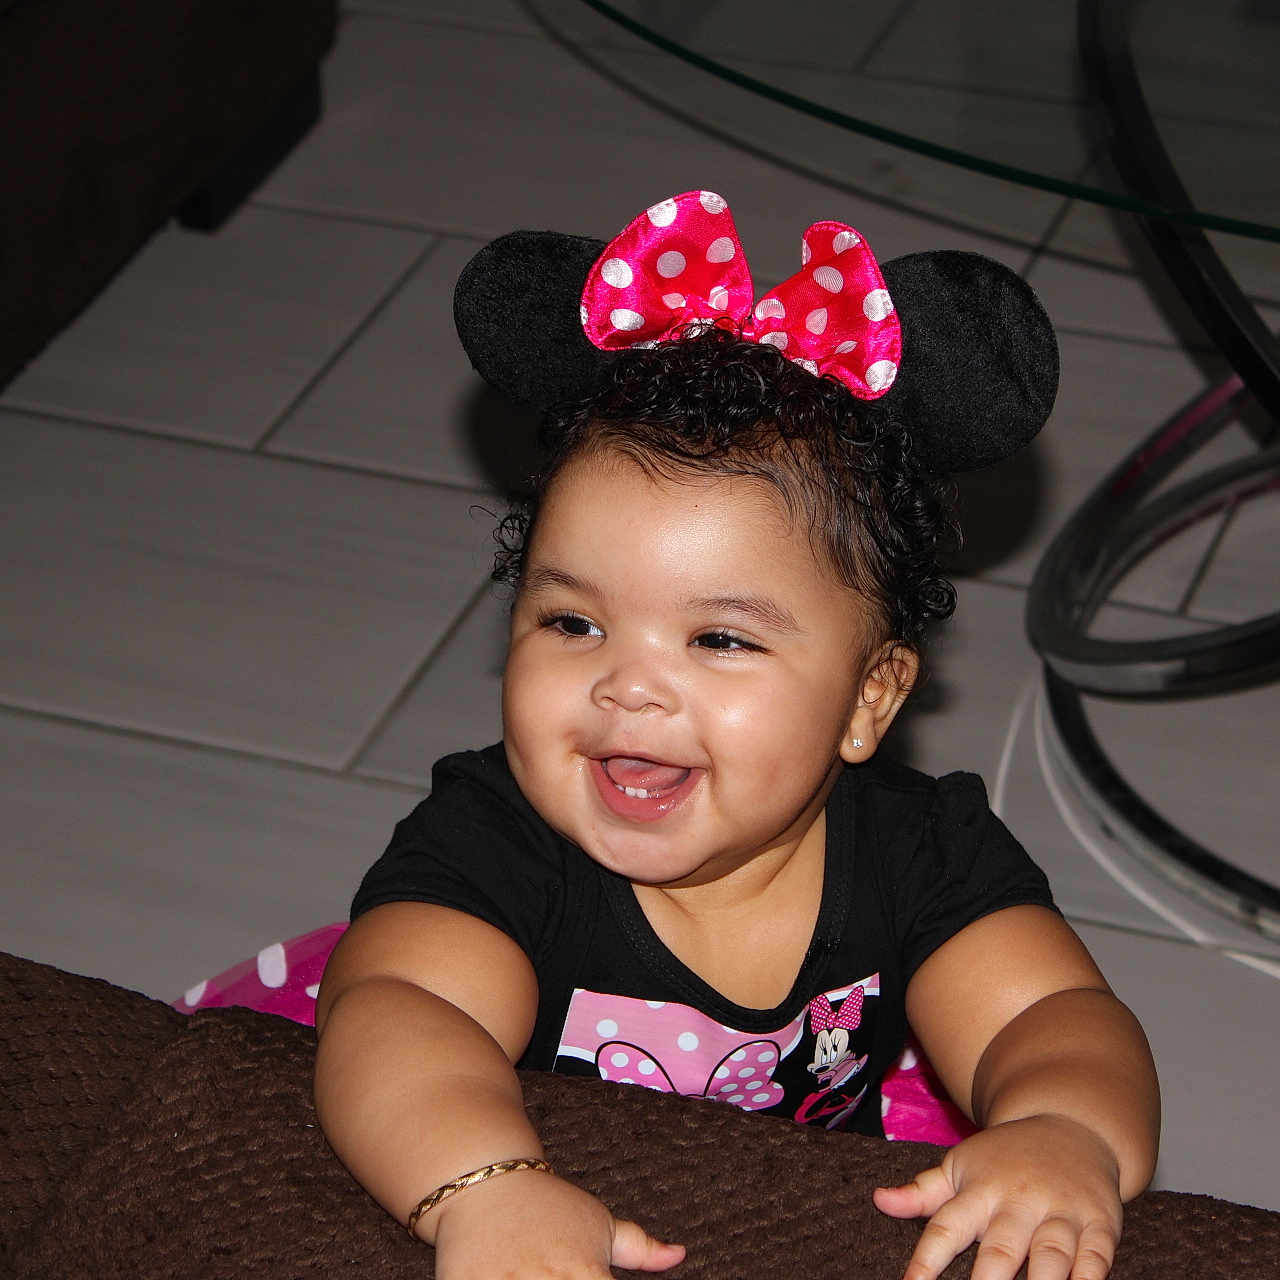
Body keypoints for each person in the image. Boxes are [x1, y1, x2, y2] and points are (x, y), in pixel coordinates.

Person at [314, 191, 1160, 1280]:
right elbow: (397, 1007)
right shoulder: (494, 836)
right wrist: (483, 1186)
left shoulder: (920, 847)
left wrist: (1066, 1129)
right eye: (572, 621)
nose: (627, 685)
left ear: (868, 698)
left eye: (716, 637)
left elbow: (1050, 1014)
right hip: (523, 1165)